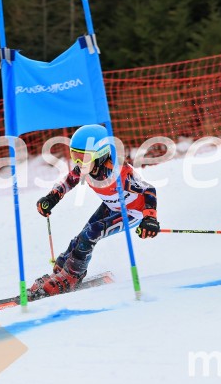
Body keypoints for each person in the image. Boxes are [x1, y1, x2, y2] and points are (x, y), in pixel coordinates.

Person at [30, 124, 159, 296]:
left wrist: (149, 218)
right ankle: (61, 270)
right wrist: (51, 198)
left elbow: (148, 189)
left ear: (100, 155)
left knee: (92, 233)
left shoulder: (119, 171)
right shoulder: (87, 167)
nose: (78, 162)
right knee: (79, 238)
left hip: (132, 212)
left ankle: (73, 275)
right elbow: (68, 181)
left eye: (82, 157)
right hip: (111, 206)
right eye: (75, 156)